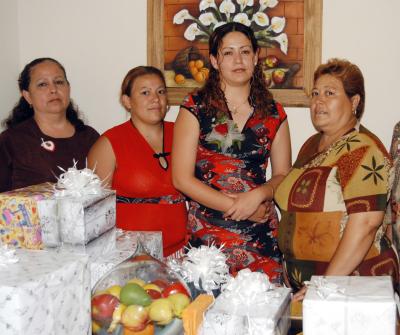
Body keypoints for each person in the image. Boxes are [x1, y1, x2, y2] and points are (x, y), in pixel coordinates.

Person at [172, 22, 291, 283]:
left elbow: (283, 173)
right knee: (204, 319)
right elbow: (180, 178)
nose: (238, 60)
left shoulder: (274, 113)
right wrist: (239, 206)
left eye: (245, 51)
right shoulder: (195, 107)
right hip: (208, 242)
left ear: (256, 56)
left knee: (262, 319)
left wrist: (259, 194)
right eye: (228, 53)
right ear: (215, 61)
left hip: (261, 239)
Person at [275, 58, 399, 300]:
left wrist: (324, 285)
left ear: (354, 101)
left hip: (350, 286)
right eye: (315, 93)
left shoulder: (361, 149)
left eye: (330, 93)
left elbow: (365, 225)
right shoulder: (311, 145)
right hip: (311, 289)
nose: (318, 101)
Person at [88, 66, 187, 257]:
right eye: (145, 93)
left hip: (182, 253)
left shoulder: (183, 134)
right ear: (127, 101)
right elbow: (96, 215)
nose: (155, 99)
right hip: (130, 257)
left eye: (160, 91)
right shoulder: (108, 143)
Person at [0, 57, 99, 192]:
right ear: (27, 96)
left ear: (68, 88)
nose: (53, 89)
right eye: (42, 84)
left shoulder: (90, 137)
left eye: (59, 82)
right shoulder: (11, 141)